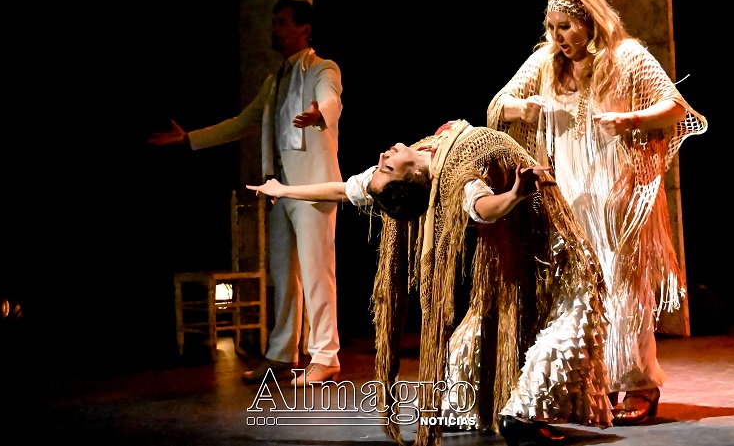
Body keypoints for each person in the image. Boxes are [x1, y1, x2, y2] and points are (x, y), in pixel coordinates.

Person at [248, 119, 613, 446]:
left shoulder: (421, 157)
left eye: (382, 165)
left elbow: (343, 189)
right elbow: (482, 208)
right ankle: (525, 412)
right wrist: (515, 194)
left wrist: (282, 189)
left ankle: (462, 404)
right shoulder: (454, 179)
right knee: (578, 307)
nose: (382, 155)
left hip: (531, 233)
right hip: (545, 238)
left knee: (498, 318)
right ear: (412, 179)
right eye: (387, 166)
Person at [486, 0, 708, 428]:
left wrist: (632, 118)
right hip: (570, 196)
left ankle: (641, 383)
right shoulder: (546, 62)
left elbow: (675, 108)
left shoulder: (627, 58)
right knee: (584, 292)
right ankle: (596, 384)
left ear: (590, 21)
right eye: (551, 27)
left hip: (620, 191)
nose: (557, 36)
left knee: (624, 290)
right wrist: (520, 107)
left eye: (565, 26)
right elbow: (496, 105)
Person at [149, 0, 343, 386]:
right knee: (283, 274)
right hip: (280, 190)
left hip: (313, 189)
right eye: (273, 22)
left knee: (317, 273)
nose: (275, 29)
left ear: (304, 30)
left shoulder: (322, 68)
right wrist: (190, 140)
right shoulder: (274, 82)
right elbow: (243, 122)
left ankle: (326, 357)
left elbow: (331, 97)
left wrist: (321, 113)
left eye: (282, 23)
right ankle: (281, 353)